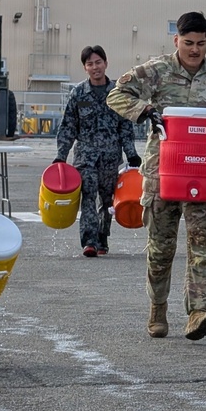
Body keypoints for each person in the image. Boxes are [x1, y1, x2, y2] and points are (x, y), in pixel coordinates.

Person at [107, 11, 206, 340]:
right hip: (161, 172)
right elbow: (116, 95)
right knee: (160, 248)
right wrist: (145, 111)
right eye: (188, 43)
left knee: (203, 245)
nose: (195, 49)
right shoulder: (156, 71)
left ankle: (197, 312)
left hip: (201, 173)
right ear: (176, 40)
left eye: (201, 43)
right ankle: (157, 308)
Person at [55, 45, 141, 258]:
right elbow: (68, 126)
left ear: (106, 63)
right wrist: (61, 155)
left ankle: (102, 239)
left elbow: (125, 127)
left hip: (111, 157)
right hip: (85, 157)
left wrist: (131, 153)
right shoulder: (78, 94)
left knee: (107, 199)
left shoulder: (118, 94)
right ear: (85, 68)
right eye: (90, 64)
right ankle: (89, 241)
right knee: (87, 196)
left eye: (98, 62)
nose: (95, 67)